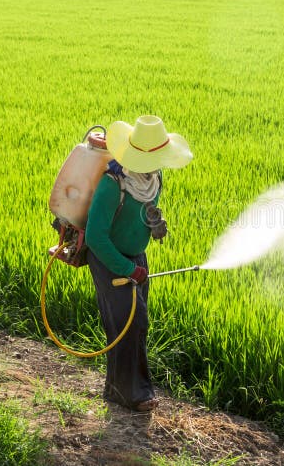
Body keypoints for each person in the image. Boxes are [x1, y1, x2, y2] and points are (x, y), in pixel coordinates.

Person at [85, 115, 193, 411]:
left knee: (138, 323)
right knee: (127, 324)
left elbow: (145, 209)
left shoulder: (153, 177)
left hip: (135, 258)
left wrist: (154, 224)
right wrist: (125, 268)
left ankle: (125, 389)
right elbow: (95, 236)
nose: (160, 164)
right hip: (109, 260)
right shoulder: (113, 185)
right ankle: (131, 393)